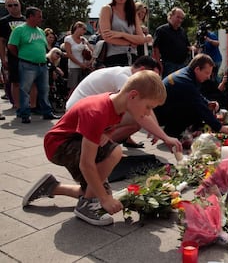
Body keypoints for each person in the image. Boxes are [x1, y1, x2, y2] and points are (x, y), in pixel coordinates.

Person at [22, 70, 167, 226]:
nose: (147, 113)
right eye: (148, 107)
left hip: (72, 141)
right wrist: (104, 199)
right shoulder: (97, 112)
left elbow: (113, 121)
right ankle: (86, 207)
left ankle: (52, 187)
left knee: (96, 190)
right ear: (133, 95)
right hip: (58, 145)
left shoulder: (119, 104)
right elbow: (86, 164)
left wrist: (108, 132)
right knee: (114, 155)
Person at [66, 56, 181, 150]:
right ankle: (98, 147)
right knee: (135, 117)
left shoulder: (128, 73)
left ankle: (119, 139)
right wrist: (164, 137)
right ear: (142, 70)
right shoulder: (124, 78)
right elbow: (140, 114)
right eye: (152, 78)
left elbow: (147, 109)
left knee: (134, 114)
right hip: (78, 117)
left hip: (84, 111)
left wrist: (157, 131)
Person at [154, 53, 228, 139]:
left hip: (166, 108)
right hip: (160, 114)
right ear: (197, 69)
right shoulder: (185, 81)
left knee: (200, 106)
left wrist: (208, 103)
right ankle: (172, 132)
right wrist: (220, 127)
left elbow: (196, 95)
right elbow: (199, 105)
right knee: (197, 109)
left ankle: (177, 130)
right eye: (207, 73)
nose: (208, 77)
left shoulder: (187, 75)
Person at [7, 6, 60, 123]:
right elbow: (11, 46)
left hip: (42, 65)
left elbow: (45, 48)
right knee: (25, 90)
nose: (41, 19)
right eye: (39, 16)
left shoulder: (40, 31)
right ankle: (24, 113)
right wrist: (21, 56)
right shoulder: (19, 30)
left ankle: (47, 112)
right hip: (27, 65)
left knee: (44, 89)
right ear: (30, 17)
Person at [99, 0, 152, 67]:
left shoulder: (132, 12)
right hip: (113, 59)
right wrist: (131, 42)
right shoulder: (107, 9)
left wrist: (121, 34)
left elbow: (141, 39)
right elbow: (107, 37)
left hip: (133, 58)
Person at [153, 7, 195, 78]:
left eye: (182, 18)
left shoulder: (182, 31)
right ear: (171, 16)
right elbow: (155, 48)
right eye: (178, 17)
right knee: (168, 86)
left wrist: (193, 48)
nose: (180, 20)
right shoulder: (161, 30)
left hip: (182, 65)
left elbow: (187, 45)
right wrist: (158, 63)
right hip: (168, 65)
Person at [0, 0, 26, 110]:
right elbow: (1, 41)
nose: (13, 7)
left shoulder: (27, 20)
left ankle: (28, 103)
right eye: (10, 5)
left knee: (28, 80)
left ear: (20, 5)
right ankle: (16, 104)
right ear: (6, 7)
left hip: (27, 54)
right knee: (15, 80)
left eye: (15, 4)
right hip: (12, 55)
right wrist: (3, 58)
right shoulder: (3, 21)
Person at [64, 21, 94, 97]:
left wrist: (90, 62)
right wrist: (80, 64)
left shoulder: (83, 40)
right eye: (83, 29)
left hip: (85, 67)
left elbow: (93, 51)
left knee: (83, 87)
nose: (84, 31)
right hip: (73, 67)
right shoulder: (68, 39)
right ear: (77, 28)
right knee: (73, 88)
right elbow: (69, 54)